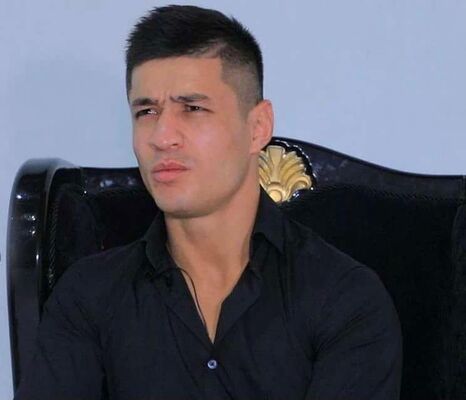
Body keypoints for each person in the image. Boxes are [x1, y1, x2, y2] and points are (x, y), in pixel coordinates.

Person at [14, 5, 402, 399]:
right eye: (146, 111)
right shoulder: (89, 296)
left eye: (193, 108)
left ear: (258, 127)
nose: (162, 136)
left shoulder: (343, 297)